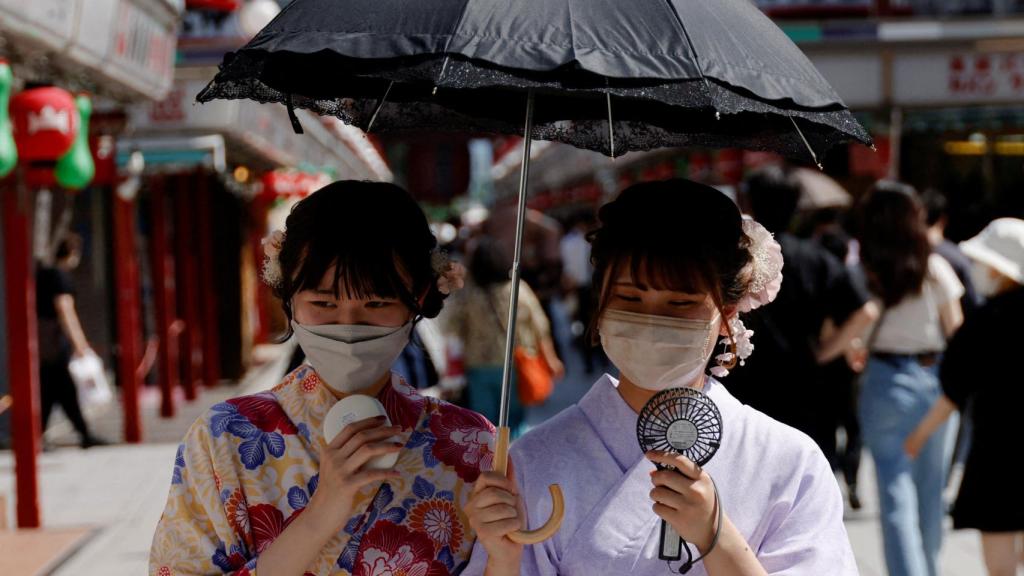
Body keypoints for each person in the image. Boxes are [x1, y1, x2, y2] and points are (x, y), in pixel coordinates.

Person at [463, 179, 858, 576]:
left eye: (680, 303)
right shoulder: (533, 460)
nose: (652, 322)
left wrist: (716, 537)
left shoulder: (789, 461)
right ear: (600, 304)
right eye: (630, 299)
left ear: (727, 312)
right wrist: (503, 557)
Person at [151, 181, 494, 575]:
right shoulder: (223, 439)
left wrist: (505, 557)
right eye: (323, 303)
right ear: (289, 298)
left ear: (417, 299)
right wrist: (320, 517)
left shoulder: (469, 444)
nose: (347, 326)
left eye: (377, 303)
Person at [725, 166, 878, 456]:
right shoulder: (816, 258)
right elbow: (865, 311)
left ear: (749, 204)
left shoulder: (735, 258)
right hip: (805, 385)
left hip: (745, 382)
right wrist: (825, 352)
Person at [854, 180, 965, 576]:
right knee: (931, 491)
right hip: (934, 379)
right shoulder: (934, 267)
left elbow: (857, 327)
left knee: (893, 490)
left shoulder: (864, 270)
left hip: (884, 379)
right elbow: (958, 332)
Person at [904, 218, 1024, 576]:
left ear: (997, 268)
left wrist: (918, 437)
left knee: (1000, 566)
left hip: (997, 456)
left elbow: (952, 392)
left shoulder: (985, 322)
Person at [444, 237, 564, 438]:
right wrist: (551, 359)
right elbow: (540, 326)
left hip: (477, 365)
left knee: (485, 424)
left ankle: (490, 462)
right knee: (514, 422)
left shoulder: (468, 295)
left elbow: (452, 329)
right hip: (514, 364)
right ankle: (513, 462)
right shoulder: (518, 289)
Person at [35, 233, 106, 448]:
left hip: (43, 341)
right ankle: (82, 434)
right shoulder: (60, 277)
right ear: (72, 253)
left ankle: (78, 433)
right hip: (56, 342)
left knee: (54, 389)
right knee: (59, 387)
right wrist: (80, 343)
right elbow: (65, 310)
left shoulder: (44, 274)